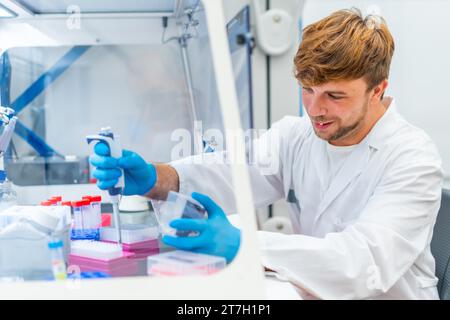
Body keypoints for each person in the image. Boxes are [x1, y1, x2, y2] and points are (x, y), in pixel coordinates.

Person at [90, 9, 443, 299]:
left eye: (334, 96)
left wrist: (247, 245)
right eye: (308, 89)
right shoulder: (297, 135)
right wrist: (157, 178)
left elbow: (361, 263)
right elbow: (232, 173)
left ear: (377, 90)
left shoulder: (412, 158)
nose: (315, 110)